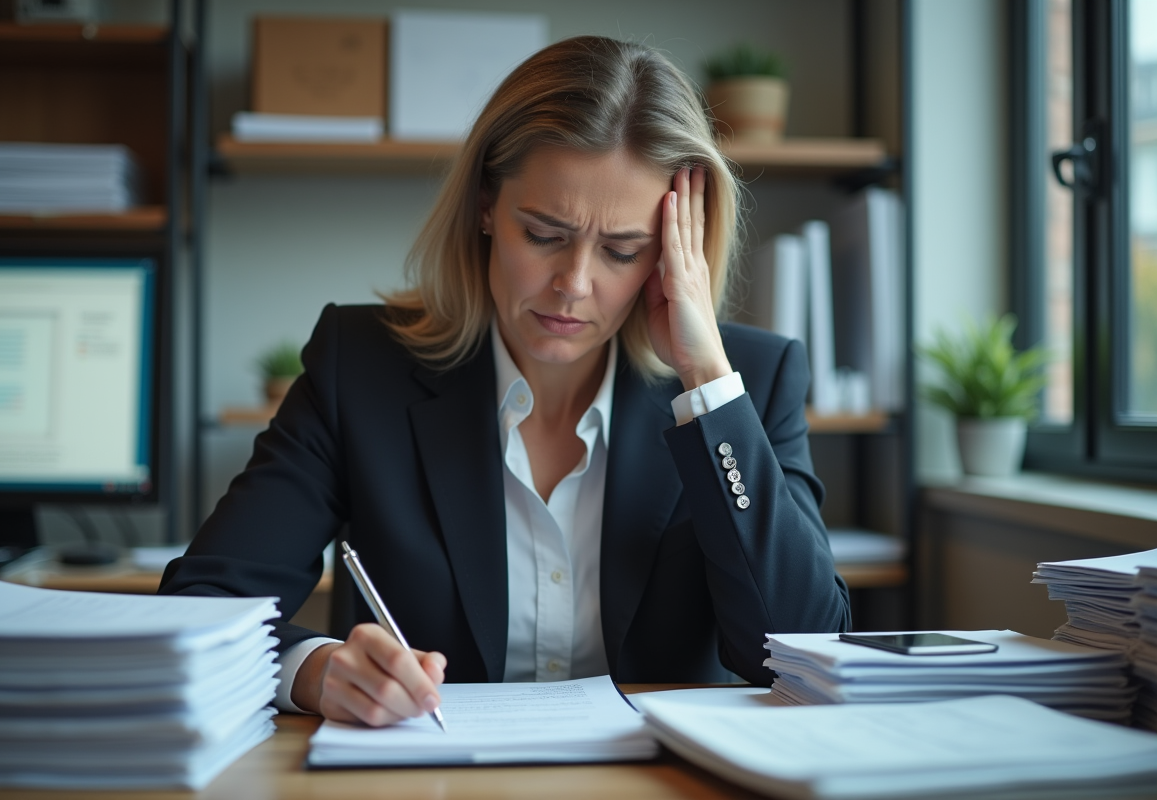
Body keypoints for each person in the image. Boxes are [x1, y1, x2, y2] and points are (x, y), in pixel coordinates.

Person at [160, 35, 849, 728]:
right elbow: (206, 603)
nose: (574, 285)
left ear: (674, 254)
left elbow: (803, 650)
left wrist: (705, 383)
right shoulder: (360, 365)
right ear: (486, 203)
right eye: (545, 233)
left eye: (622, 250)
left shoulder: (745, 383)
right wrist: (316, 670)